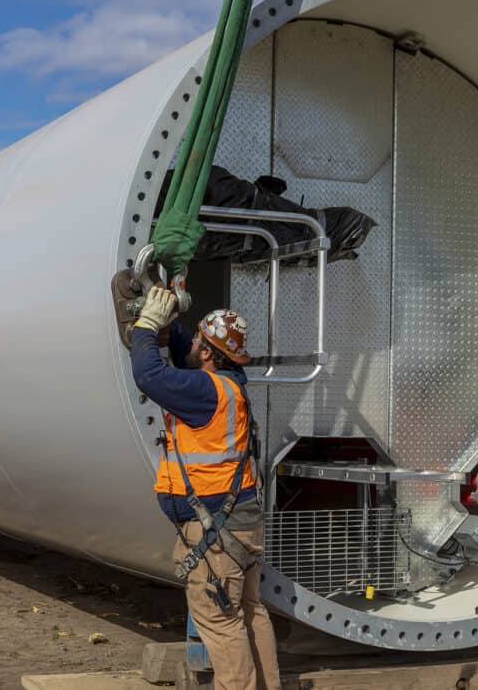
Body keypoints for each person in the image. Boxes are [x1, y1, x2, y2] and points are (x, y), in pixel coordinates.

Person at [128, 285, 280, 690]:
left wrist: (145, 327)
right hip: (240, 522)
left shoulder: (204, 392)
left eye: (199, 342)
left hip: (215, 530)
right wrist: (168, 312)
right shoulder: (230, 384)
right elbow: (185, 351)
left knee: (219, 620)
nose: (191, 346)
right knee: (249, 610)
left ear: (209, 353)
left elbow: (148, 375)